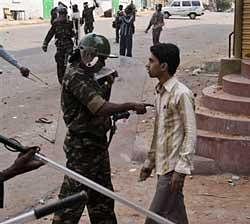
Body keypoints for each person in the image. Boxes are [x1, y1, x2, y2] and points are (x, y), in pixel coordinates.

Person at [52, 33, 152, 224]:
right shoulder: (75, 76)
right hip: (82, 150)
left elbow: (96, 106)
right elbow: (99, 107)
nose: (102, 64)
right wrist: (129, 105)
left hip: (97, 146)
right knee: (71, 203)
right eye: (101, 59)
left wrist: (106, 83)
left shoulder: (89, 75)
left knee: (103, 201)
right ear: (89, 55)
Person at [139, 43, 196, 224]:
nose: (147, 65)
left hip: (172, 169)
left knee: (153, 219)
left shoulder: (182, 94)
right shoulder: (160, 92)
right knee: (176, 216)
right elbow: (159, 131)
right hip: (162, 166)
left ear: (164, 66)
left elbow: (191, 132)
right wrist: (150, 160)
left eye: (151, 61)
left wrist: (181, 169)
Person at [42, 7, 75, 85]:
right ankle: (62, 81)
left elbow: (74, 34)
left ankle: (71, 79)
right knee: (60, 63)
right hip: (60, 47)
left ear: (66, 15)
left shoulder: (70, 23)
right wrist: (45, 43)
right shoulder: (56, 23)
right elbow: (50, 33)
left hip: (69, 46)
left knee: (70, 63)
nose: (62, 16)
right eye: (61, 14)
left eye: (64, 14)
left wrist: (74, 29)